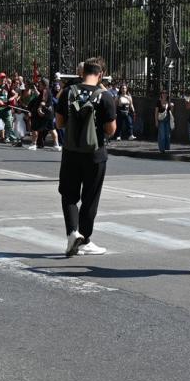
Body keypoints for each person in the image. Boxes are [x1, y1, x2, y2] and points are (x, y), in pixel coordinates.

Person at [55, 58, 118, 257]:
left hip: (71, 152)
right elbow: (111, 129)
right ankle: (86, 240)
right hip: (95, 154)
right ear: (100, 74)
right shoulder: (106, 96)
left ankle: (73, 233)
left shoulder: (67, 93)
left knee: (69, 195)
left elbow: (59, 123)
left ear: (82, 73)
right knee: (90, 198)